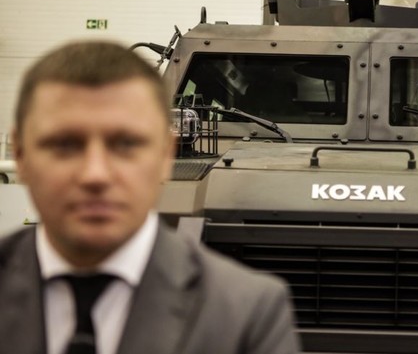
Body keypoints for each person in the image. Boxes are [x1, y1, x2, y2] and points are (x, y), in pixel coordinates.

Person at [0, 40, 300, 354]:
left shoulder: (244, 316)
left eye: (126, 144)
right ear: (20, 154)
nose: (95, 175)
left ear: (165, 154)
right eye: (64, 145)